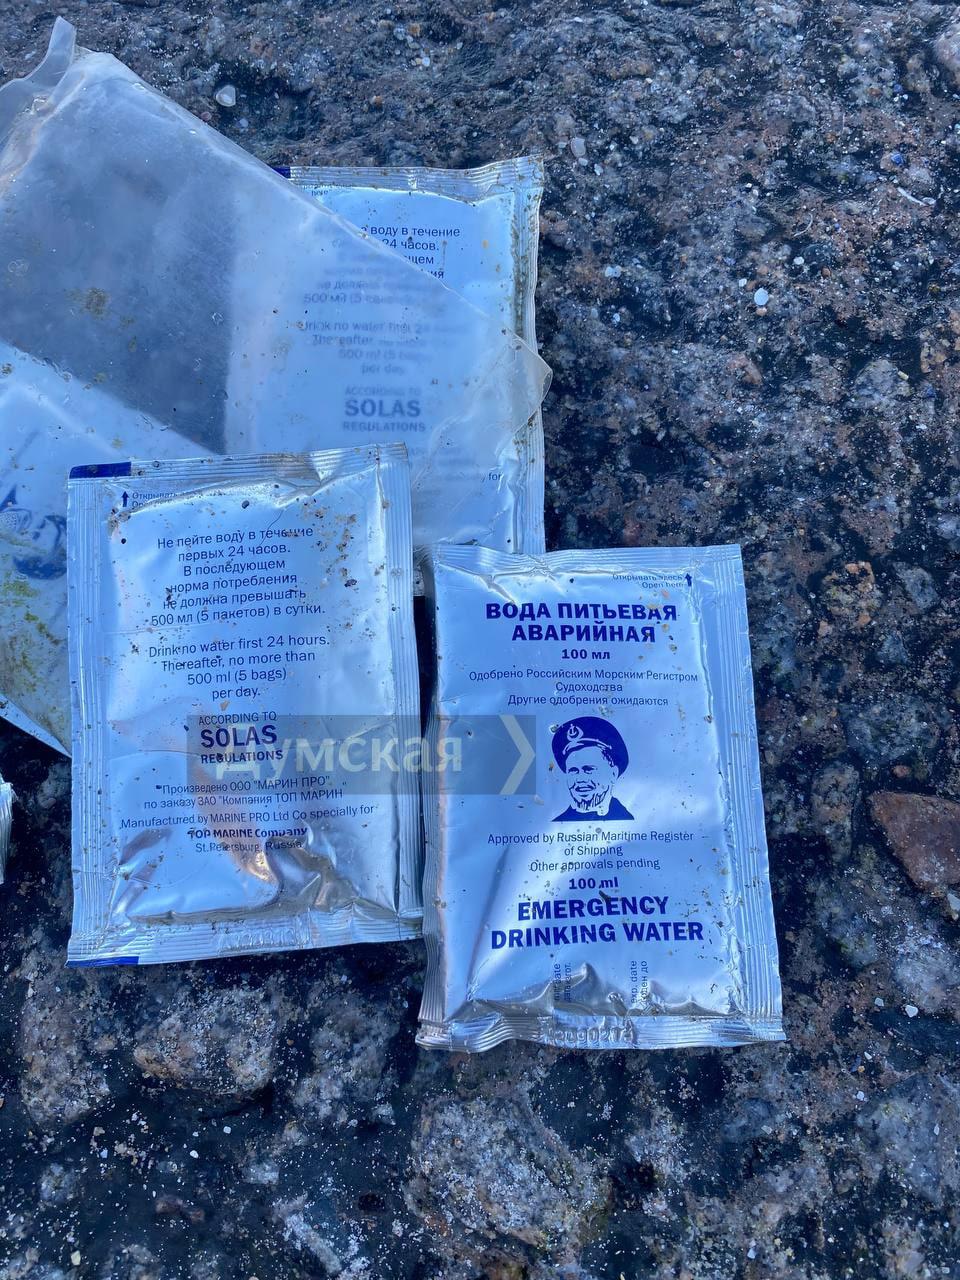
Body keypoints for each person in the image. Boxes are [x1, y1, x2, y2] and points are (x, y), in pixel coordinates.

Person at [551, 716, 633, 822]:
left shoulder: (633, 822)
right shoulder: (557, 825)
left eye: (588, 770)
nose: (580, 779)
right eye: (573, 771)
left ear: (613, 774)